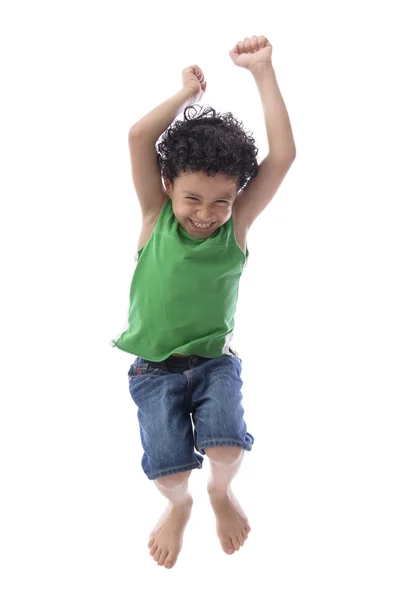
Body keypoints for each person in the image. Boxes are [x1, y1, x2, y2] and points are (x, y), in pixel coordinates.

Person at [110, 35, 296, 569]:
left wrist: (262, 70)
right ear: (168, 186)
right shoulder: (154, 217)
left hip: (215, 364)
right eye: (192, 197)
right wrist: (184, 94)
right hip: (154, 371)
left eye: (221, 200)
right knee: (167, 475)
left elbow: (282, 156)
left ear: (236, 197)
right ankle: (181, 505)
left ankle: (219, 491)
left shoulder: (234, 226)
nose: (206, 213)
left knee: (227, 450)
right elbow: (139, 134)